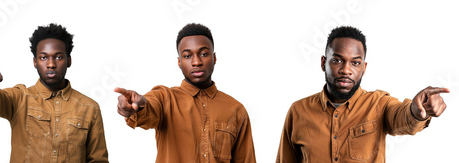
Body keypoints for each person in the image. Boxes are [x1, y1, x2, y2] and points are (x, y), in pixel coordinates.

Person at [276, 26, 449, 162]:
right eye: (337, 60)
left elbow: (401, 116)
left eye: (355, 63)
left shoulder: (379, 104)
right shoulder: (298, 111)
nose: (346, 70)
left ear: (364, 68)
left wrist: (415, 112)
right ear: (323, 63)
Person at [0, 23, 108, 162]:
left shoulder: (90, 108)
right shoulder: (19, 98)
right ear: (35, 62)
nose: (51, 64)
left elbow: (98, 160)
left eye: (58, 57)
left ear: (69, 60)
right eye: (43, 57)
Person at [114, 23, 256, 162]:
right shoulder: (164, 98)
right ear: (179, 62)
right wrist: (137, 106)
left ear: (214, 58)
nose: (196, 62)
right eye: (188, 56)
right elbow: (149, 107)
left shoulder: (236, 110)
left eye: (204, 54)